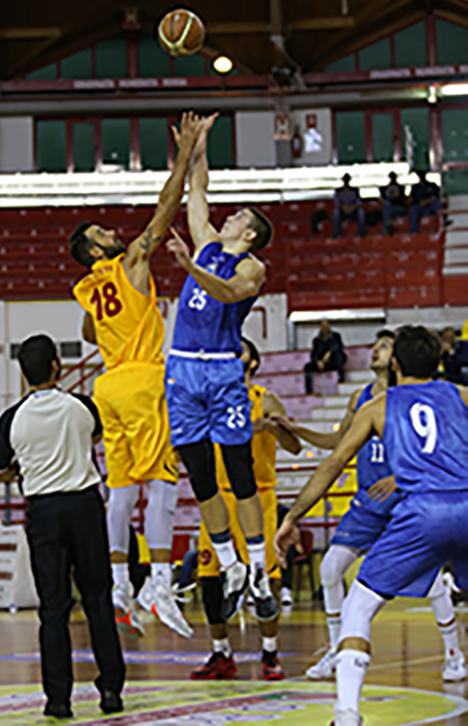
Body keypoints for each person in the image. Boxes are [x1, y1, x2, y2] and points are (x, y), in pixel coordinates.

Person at [276, 325, 468, 726]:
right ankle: (453, 653)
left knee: (359, 606)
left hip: (421, 510)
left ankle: (347, 712)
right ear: (438, 362)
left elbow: (331, 465)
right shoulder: (460, 395)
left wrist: (292, 516)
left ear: (396, 363)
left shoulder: (378, 407)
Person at [70, 112, 204, 639]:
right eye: (102, 232)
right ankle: (161, 583)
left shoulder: (89, 285)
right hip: (145, 380)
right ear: (98, 250)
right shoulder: (129, 263)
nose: (111, 231)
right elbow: (165, 208)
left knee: (121, 492)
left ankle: (120, 583)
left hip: (107, 386)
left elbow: (88, 333)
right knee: (163, 485)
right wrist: (187, 152)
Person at [165, 116, 278, 622]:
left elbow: (229, 293)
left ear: (249, 233)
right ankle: (230, 564)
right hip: (182, 370)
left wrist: (191, 269)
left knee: (240, 476)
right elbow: (198, 188)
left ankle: (257, 567)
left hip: (222, 372)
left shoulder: (252, 267)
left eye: (237, 218)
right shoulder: (209, 241)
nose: (226, 218)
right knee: (201, 478)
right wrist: (198, 146)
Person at [0, 334, 124, 719]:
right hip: (85, 505)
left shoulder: (11, 419)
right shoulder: (82, 406)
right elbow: (95, 436)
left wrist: (24, 466)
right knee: (98, 601)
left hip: (43, 513)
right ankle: (111, 689)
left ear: (21, 372)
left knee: (53, 610)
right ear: (56, 367)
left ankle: (58, 699)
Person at [191, 337, 301, 681]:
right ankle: (221, 653)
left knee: (263, 580)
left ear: (252, 362)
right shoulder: (210, 399)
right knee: (210, 581)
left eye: (239, 350)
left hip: (257, 497)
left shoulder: (264, 399)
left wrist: (275, 427)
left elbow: (294, 447)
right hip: (218, 499)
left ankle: (269, 653)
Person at [304, 319, 347, 394]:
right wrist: (318, 361)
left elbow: (339, 346)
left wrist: (329, 352)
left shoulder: (336, 336)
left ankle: (341, 377)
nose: (324, 328)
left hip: (333, 360)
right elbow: (314, 354)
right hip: (322, 363)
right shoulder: (316, 340)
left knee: (339, 356)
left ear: (329, 327)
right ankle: (309, 390)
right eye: (322, 326)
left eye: (326, 326)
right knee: (307, 367)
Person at [333, 173, 365, 238]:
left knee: (361, 212)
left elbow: (359, 203)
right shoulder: (338, 191)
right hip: (343, 211)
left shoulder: (355, 190)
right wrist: (344, 207)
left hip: (353, 211)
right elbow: (337, 203)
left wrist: (352, 207)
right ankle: (337, 234)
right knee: (336, 212)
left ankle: (361, 234)